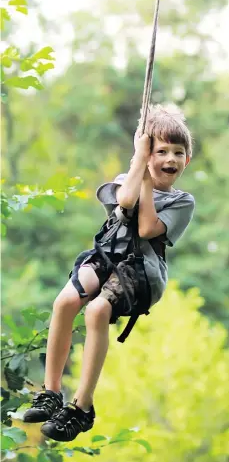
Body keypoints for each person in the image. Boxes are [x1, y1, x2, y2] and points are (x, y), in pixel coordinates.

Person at [23, 104, 195, 442]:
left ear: (186, 160)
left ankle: (82, 406)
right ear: (148, 154)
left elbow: (146, 229)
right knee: (66, 302)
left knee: (99, 309)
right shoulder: (126, 179)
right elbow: (126, 201)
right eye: (161, 151)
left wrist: (147, 182)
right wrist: (138, 165)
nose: (170, 159)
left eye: (178, 152)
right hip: (108, 256)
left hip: (142, 271)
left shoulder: (182, 201)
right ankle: (51, 392)